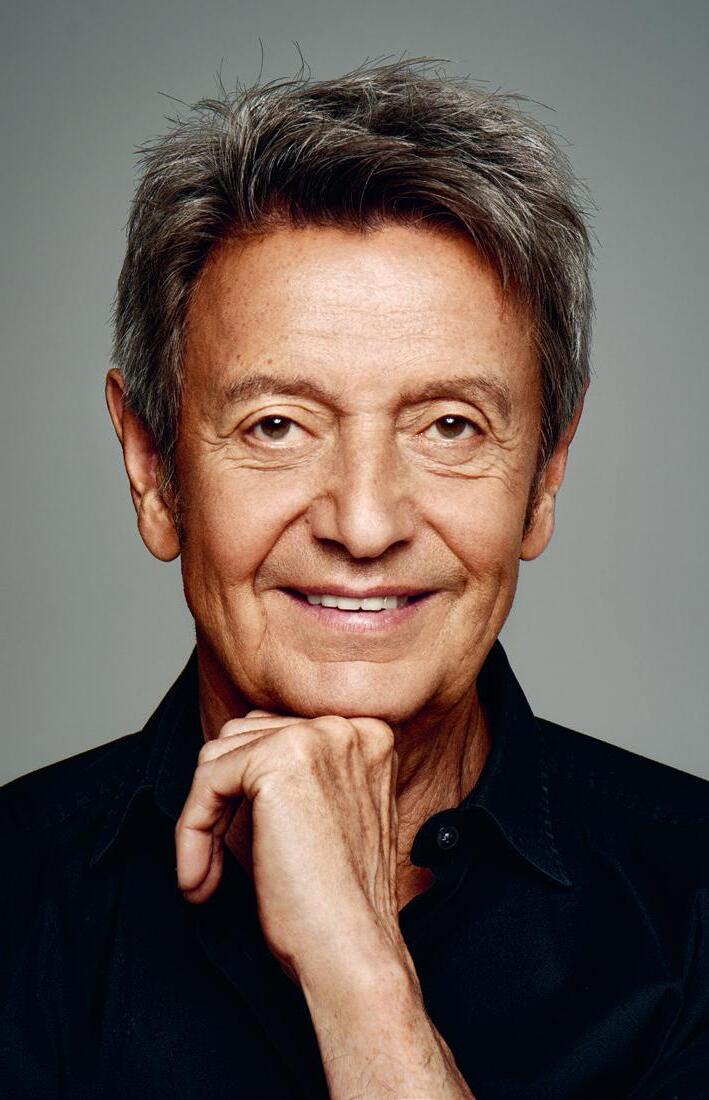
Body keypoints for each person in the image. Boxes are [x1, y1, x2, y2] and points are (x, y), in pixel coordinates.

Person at [1, 57, 708, 1100]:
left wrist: (359, 976)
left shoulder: (692, 909)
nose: (364, 523)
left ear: (543, 479)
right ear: (153, 471)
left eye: (450, 426)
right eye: (276, 426)